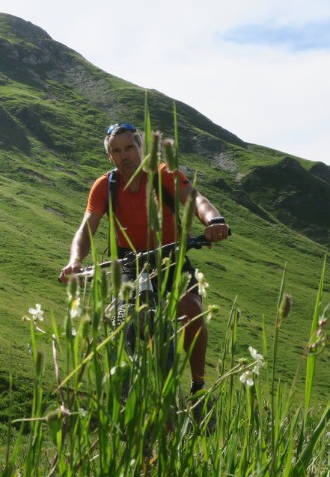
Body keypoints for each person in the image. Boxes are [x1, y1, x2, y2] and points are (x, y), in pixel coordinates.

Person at [58, 122, 230, 399]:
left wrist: (214, 220)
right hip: (129, 261)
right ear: (109, 157)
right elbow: (86, 228)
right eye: (116, 151)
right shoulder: (105, 186)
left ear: (141, 148)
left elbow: (196, 200)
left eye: (129, 147)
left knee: (191, 309)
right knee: (120, 316)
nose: (124, 155)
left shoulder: (164, 174)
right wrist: (75, 260)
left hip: (169, 256)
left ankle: (198, 385)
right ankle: (123, 387)